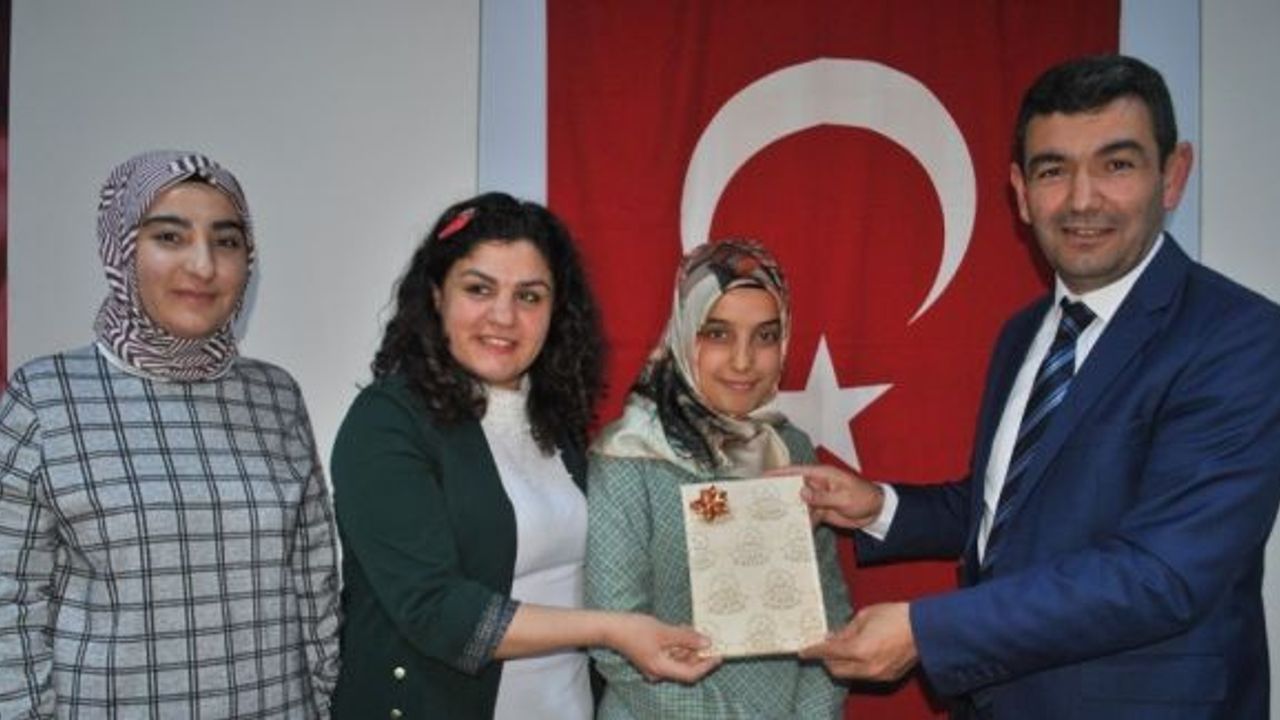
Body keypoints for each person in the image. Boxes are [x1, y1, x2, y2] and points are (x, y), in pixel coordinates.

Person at [794, 54, 1280, 719]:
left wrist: (928, 632)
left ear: (1172, 176)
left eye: (1116, 164)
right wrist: (877, 507)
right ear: (1021, 193)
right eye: (1054, 170)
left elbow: (1161, 574)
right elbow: (1013, 511)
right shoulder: (1025, 332)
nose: (1082, 200)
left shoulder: (1239, 338)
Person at [329, 192, 718, 719]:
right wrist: (611, 630)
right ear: (437, 296)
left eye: (529, 296)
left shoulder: (555, 420)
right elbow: (437, 611)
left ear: (556, 312)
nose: (504, 316)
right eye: (478, 289)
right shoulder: (387, 421)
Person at [0, 150, 341, 717]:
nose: (203, 266)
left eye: (226, 241)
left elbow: (314, 586)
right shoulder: (46, 396)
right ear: (121, 249)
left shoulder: (275, 395)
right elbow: (8, 603)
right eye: (169, 237)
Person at [587, 240, 851, 718]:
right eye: (718, 334)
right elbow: (616, 647)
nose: (743, 361)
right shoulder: (629, 456)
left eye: (765, 336)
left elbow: (830, 617)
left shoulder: (790, 449)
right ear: (684, 332)